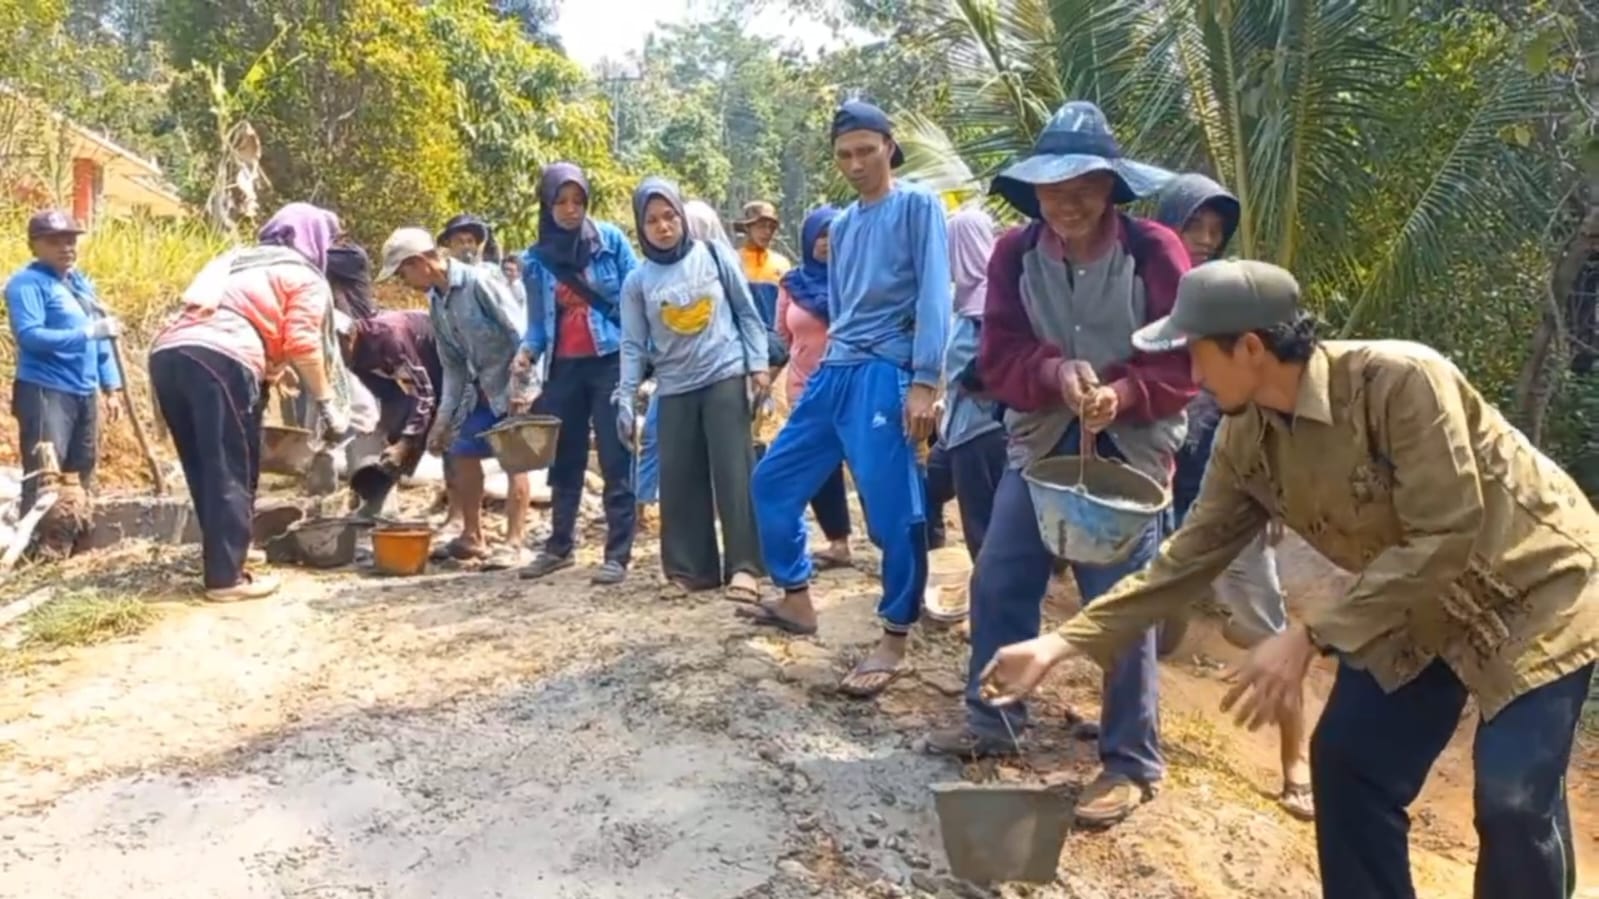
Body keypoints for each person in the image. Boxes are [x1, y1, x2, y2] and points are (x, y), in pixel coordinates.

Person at [981, 260, 1599, 899]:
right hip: (1412, 602)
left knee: (1513, 797)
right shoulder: (1244, 438)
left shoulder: (1401, 381)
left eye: (1198, 353)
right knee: (1350, 765)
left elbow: (1447, 535)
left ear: (1250, 347)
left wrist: (1308, 637)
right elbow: (1184, 559)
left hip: (1533, 586)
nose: (1191, 375)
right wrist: (1057, 645)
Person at [922, 101, 1191, 833]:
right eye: (1053, 189)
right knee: (1002, 574)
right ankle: (991, 721)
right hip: (1038, 440)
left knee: (1118, 603)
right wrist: (1053, 372)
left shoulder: (1155, 251)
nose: (1068, 203)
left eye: (1084, 186)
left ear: (1110, 187)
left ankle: (1130, 759)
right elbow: (997, 356)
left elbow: (1187, 358)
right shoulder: (1014, 255)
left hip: (1130, 447)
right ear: (1033, 194)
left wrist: (1126, 390)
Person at [745, 100, 951, 698]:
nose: (856, 163)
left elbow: (935, 294)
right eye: (844, 155)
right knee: (773, 481)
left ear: (889, 145)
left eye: (866, 150)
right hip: (835, 370)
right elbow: (845, 305)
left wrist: (925, 380)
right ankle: (797, 599)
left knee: (894, 514)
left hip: (886, 373)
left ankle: (894, 637)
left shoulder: (918, 206)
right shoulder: (847, 226)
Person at [1154, 172, 1312, 821]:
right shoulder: (1140, 300)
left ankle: (1294, 761)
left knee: (1267, 629)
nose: (1204, 239)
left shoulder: (1244, 308)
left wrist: (1275, 499)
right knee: (1145, 627)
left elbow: (1274, 405)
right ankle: (1128, 739)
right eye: (1193, 226)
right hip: (1158, 486)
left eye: (1214, 231)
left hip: (1234, 493)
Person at [148, 203, 353, 601]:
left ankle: (231, 554)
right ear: (315, 239)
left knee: (205, 466)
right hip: (220, 359)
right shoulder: (301, 275)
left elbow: (234, 315)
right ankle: (226, 580)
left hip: (170, 354)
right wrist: (328, 403)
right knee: (230, 466)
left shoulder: (236, 262)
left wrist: (273, 370)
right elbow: (303, 343)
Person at [618, 178, 770, 598]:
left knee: (734, 472)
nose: (663, 227)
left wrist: (757, 366)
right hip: (674, 385)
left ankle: (746, 566)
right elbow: (632, 344)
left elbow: (747, 314)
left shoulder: (714, 256)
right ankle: (690, 570)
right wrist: (625, 397)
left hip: (723, 374)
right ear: (641, 227)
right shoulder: (638, 281)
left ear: (682, 217)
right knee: (680, 477)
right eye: (652, 221)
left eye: (669, 216)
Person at [378, 227, 533, 569]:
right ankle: (472, 536)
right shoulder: (437, 301)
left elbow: (520, 333)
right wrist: (443, 419)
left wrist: (522, 389)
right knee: (461, 453)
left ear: (421, 263)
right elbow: (452, 366)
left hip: (511, 384)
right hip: (477, 389)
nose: (405, 282)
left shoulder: (479, 283)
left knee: (515, 460)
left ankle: (515, 543)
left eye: (404, 272)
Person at [515, 162, 639, 586]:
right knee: (564, 456)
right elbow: (536, 323)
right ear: (546, 205)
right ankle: (559, 546)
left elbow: (636, 297)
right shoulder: (535, 261)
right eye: (561, 202)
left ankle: (618, 553)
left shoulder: (612, 242)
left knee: (614, 450)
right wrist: (527, 352)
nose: (570, 210)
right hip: (563, 367)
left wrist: (645, 355)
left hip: (610, 360)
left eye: (578, 201)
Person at [5, 210, 124, 516]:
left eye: (71, 240)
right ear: (35, 246)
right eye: (55, 241)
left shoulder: (79, 285)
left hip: (84, 390)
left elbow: (100, 338)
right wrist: (86, 332)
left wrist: (111, 387)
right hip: (46, 390)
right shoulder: (27, 284)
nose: (66, 248)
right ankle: (36, 547)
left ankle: (71, 541)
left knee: (80, 470)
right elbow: (31, 336)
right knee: (46, 473)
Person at [775, 205, 854, 570]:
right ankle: (838, 543)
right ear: (808, 239)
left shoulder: (857, 279)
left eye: (835, 235)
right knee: (821, 469)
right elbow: (782, 334)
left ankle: (890, 542)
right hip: (804, 387)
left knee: (867, 462)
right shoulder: (792, 284)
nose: (826, 242)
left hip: (852, 385)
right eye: (820, 235)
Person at [938, 206, 1007, 563]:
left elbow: (1000, 358)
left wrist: (969, 380)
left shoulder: (987, 297)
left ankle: (992, 605)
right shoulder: (966, 296)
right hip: (959, 426)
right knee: (929, 490)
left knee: (981, 527)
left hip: (981, 430)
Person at [334, 309, 443, 519]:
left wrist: (405, 444)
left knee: (441, 431)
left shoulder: (391, 338)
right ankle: (377, 502)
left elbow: (425, 395)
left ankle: (458, 515)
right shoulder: (354, 357)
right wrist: (383, 431)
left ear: (348, 337)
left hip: (444, 362)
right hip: (420, 377)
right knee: (391, 435)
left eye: (335, 346)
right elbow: (389, 396)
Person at [734, 199, 791, 331]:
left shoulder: (782, 263)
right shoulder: (733, 260)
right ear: (747, 227)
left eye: (771, 227)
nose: (767, 232)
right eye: (761, 226)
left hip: (775, 339)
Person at [437, 213, 502, 265]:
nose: (466, 246)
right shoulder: (439, 270)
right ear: (449, 243)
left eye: (470, 241)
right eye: (460, 241)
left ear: (476, 245)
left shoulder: (486, 272)